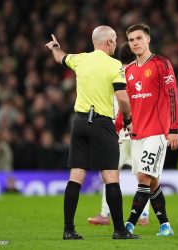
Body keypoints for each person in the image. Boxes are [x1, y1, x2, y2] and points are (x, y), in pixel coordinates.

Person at [45, 26, 139, 240]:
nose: (116, 44)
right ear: (108, 42)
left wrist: (55, 47)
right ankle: (119, 230)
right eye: (114, 40)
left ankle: (68, 230)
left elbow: (60, 57)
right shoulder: (114, 64)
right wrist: (127, 119)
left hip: (79, 122)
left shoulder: (80, 59)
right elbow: (123, 98)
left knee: (76, 177)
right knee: (111, 177)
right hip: (101, 123)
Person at [123, 23, 178, 237]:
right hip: (137, 134)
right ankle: (165, 225)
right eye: (131, 40)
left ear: (148, 39)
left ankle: (128, 225)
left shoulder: (161, 63)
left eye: (139, 38)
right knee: (152, 180)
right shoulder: (128, 70)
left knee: (143, 178)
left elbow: (173, 96)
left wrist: (174, 128)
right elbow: (125, 103)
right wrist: (120, 125)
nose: (135, 43)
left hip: (157, 132)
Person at [88, 42, 150, 226]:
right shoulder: (140, 72)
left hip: (119, 131)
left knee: (110, 173)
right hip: (139, 130)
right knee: (143, 174)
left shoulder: (115, 71)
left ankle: (105, 215)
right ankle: (143, 216)